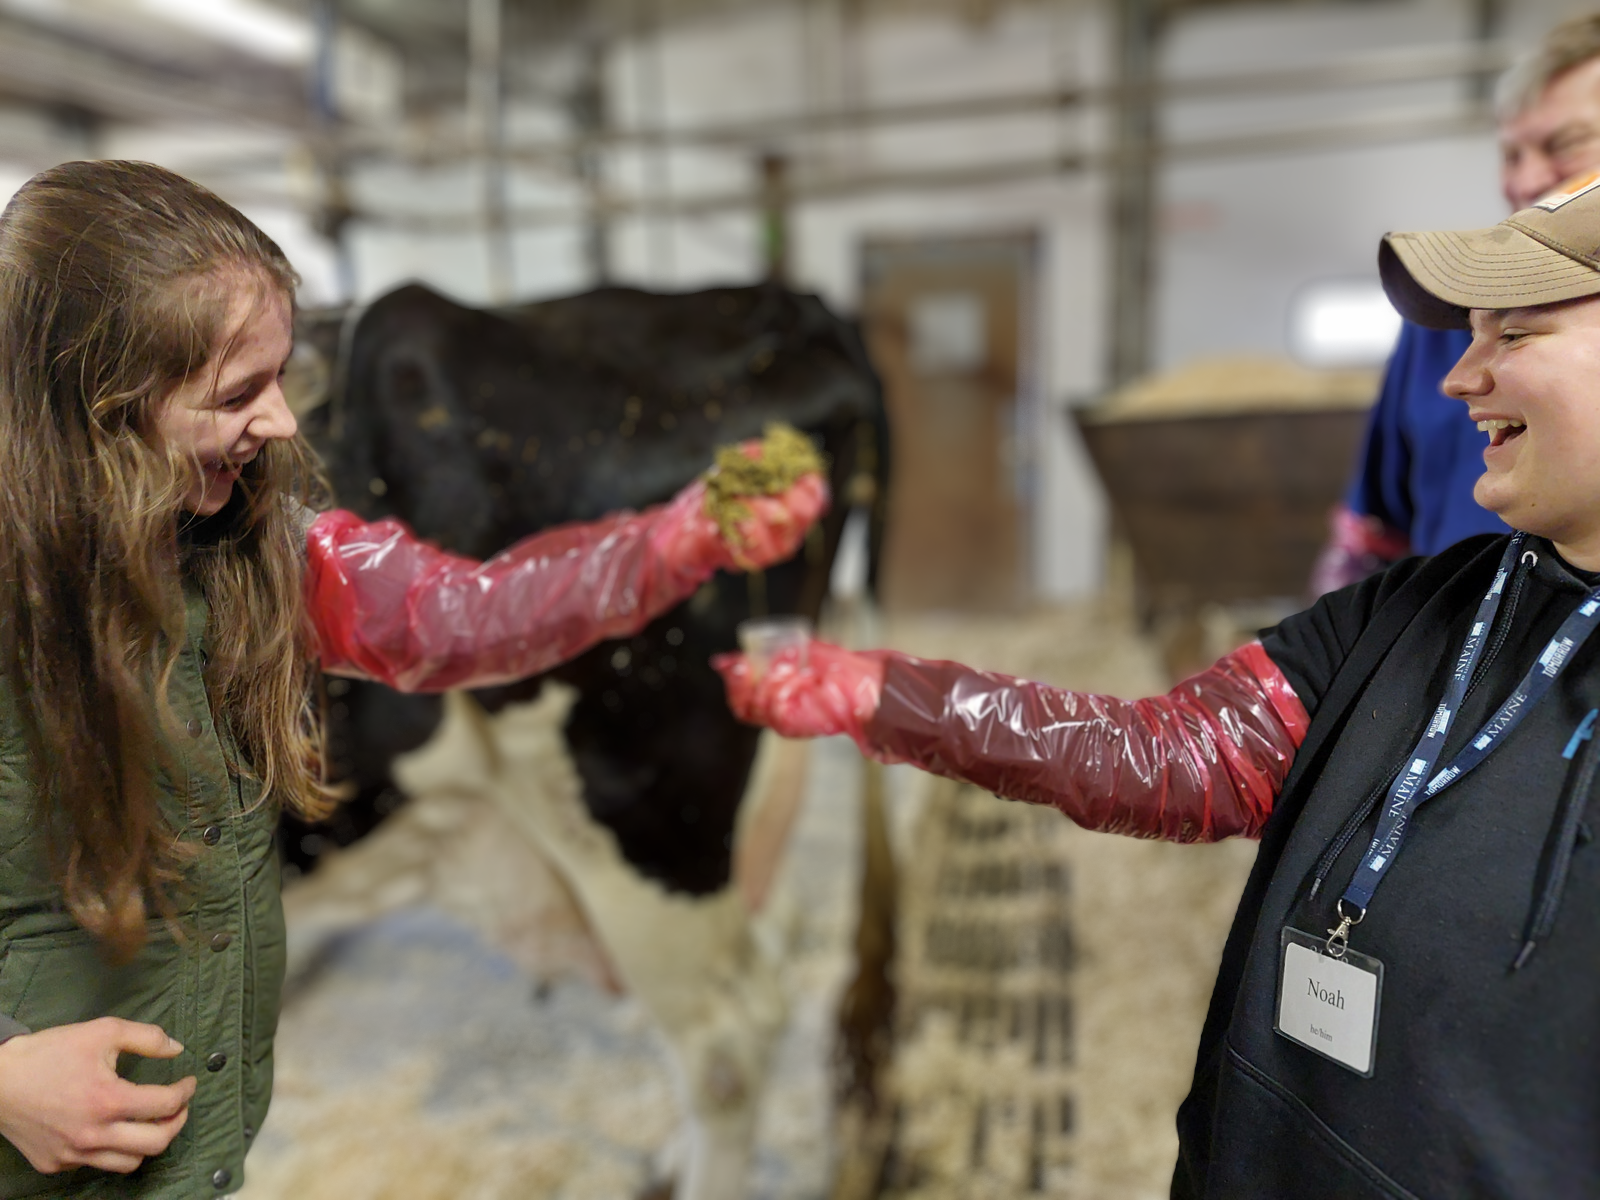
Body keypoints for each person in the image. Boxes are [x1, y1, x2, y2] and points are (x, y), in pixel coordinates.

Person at [719, 183, 1600, 1196]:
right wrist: (876, 694)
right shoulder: (1419, 605)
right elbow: (1177, 757)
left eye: (1515, 336)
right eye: (1469, 337)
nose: (1458, 379)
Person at [0, 159, 826, 1196]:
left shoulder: (252, 552)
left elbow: (474, 616)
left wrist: (679, 536)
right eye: (238, 393)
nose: (286, 424)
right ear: (97, 410)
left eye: (282, 378)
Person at [1312, 13, 1600, 594]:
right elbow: (1374, 526)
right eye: (1510, 155)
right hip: (1457, 667)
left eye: (1563, 144)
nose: (1525, 180)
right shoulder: (1437, 320)